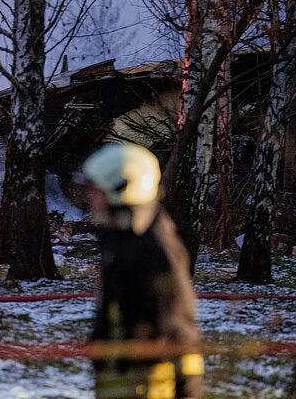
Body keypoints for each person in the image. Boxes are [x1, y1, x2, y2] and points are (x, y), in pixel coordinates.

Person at [82, 143, 203, 399]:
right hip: (119, 379)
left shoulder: (155, 249)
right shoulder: (121, 237)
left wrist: (188, 392)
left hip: (147, 383)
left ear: (121, 188)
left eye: (96, 190)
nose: (90, 197)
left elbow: (180, 329)